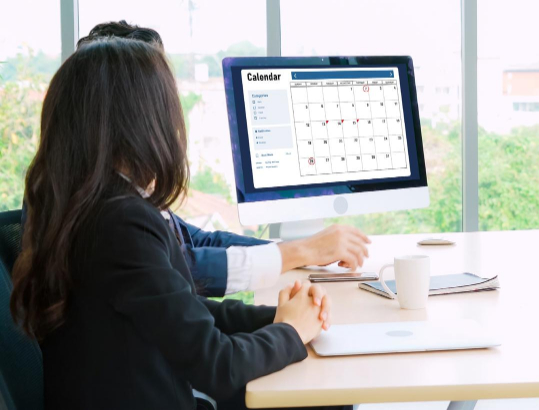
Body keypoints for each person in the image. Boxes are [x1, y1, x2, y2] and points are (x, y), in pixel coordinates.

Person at [10, 38, 338, 409]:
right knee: (327, 398)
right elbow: (216, 364)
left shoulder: (83, 209)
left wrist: (278, 319)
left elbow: (187, 311)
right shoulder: (120, 222)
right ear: (142, 121)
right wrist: (291, 331)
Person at [66, 20, 372, 298]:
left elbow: (199, 243)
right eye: (160, 96)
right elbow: (183, 269)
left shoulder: (116, 188)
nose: (171, 115)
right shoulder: (103, 211)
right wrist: (301, 253)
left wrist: (306, 251)